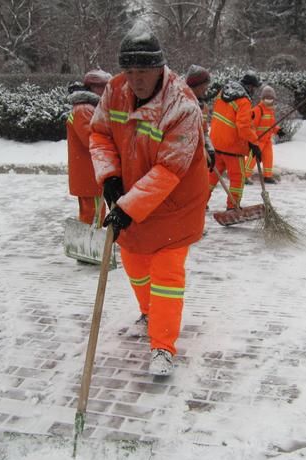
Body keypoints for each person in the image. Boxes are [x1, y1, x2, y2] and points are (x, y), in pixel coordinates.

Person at [89, 21, 208, 376]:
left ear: (160, 68)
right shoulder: (115, 90)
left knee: (167, 275)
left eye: (144, 71)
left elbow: (169, 171)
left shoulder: (182, 105)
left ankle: (163, 347)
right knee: (135, 264)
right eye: (129, 70)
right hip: (131, 195)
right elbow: (100, 134)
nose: (136, 79)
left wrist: (127, 208)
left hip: (175, 205)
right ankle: (149, 311)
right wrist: (109, 178)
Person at [208, 70, 261, 209]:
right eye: (254, 88)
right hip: (233, 147)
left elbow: (226, 117)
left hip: (216, 143)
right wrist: (254, 143)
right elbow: (243, 127)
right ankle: (233, 207)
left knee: (212, 176)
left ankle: (199, 202)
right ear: (249, 87)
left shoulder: (222, 93)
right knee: (238, 178)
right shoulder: (244, 101)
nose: (254, 92)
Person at [66, 69, 112, 225]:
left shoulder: (85, 108)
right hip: (89, 174)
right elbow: (91, 139)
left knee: (93, 213)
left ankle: (90, 245)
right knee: (93, 216)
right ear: (93, 87)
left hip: (88, 173)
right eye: (103, 87)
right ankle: (91, 247)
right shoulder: (85, 109)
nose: (107, 91)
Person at [245, 85, 284, 184]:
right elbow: (251, 126)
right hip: (257, 140)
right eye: (267, 98)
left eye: (271, 98)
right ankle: (244, 176)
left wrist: (278, 130)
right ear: (262, 98)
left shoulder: (270, 111)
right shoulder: (258, 110)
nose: (269, 100)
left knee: (268, 158)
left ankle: (267, 176)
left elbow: (271, 125)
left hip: (267, 140)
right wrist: (252, 139)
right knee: (252, 159)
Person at [185, 65, 215, 172]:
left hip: (197, 161)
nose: (206, 90)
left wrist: (208, 147)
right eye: (204, 87)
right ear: (196, 86)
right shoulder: (181, 104)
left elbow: (204, 131)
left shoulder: (203, 107)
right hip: (184, 161)